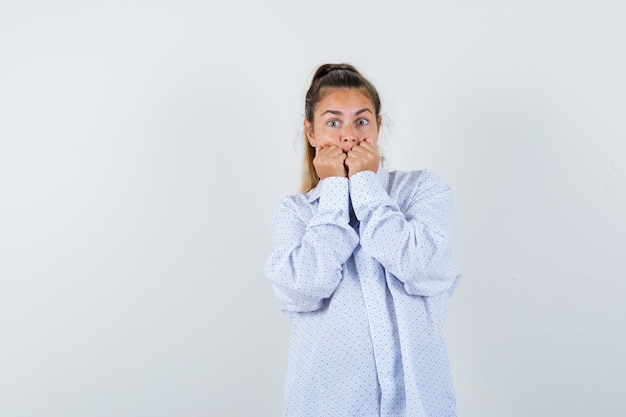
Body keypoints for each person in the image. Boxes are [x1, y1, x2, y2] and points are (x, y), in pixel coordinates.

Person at [265, 63, 461, 417]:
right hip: (328, 403)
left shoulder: (422, 191)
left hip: (417, 403)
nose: (349, 135)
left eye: (361, 120)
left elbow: (419, 266)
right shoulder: (295, 213)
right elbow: (304, 289)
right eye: (333, 122)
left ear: (378, 126)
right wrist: (336, 192)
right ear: (310, 133)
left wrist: (367, 188)